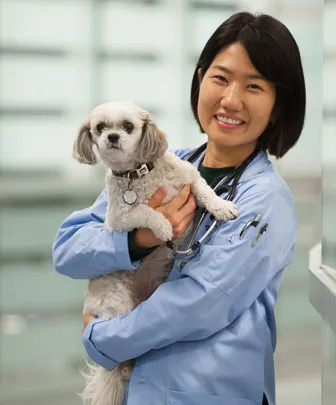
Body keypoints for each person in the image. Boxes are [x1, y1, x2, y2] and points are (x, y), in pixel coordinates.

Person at [52, 11, 306, 405]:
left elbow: (202, 302)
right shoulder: (151, 166)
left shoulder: (264, 199)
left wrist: (102, 339)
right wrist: (135, 242)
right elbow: (68, 249)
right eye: (220, 78)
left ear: (277, 106)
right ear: (200, 78)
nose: (231, 99)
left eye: (254, 86)